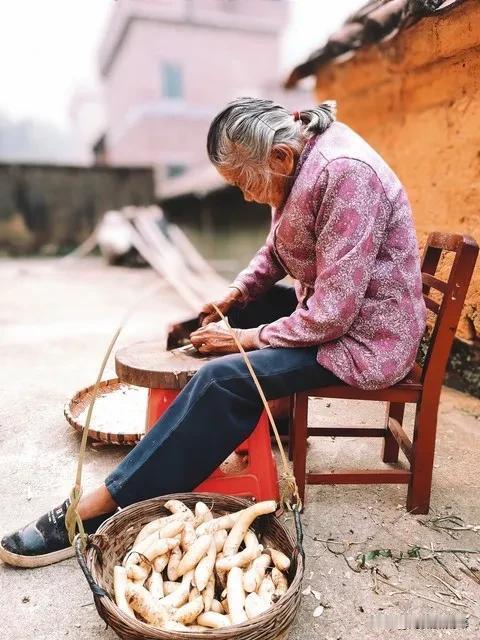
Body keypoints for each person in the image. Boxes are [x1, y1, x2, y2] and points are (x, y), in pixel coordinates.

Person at [0, 97, 426, 568]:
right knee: (232, 326)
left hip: (367, 337)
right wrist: (235, 293)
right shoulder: (295, 150)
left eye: (245, 184)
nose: (246, 197)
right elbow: (278, 250)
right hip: (339, 311)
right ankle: (236, 424)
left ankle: (101, 506)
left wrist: (244, 340)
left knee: (224, 379)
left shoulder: (347, 175)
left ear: (280, 157)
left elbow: (331, 316)